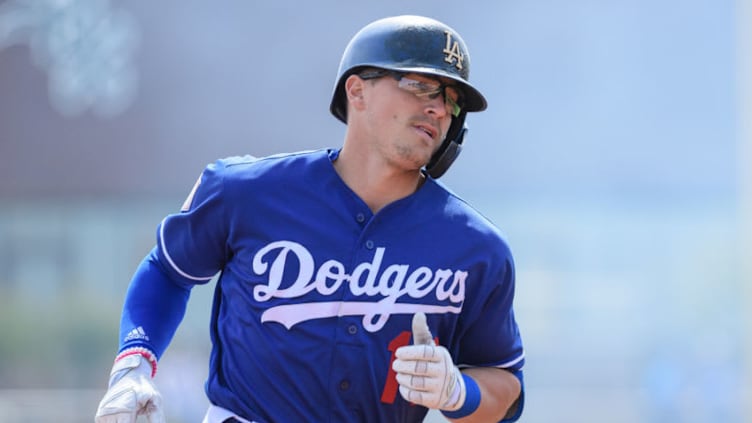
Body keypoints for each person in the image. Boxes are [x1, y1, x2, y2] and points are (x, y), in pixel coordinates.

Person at [94, 14, 525, 423]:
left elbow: (506, 385)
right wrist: (133, 364)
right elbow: (170, 271)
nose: (439, 108)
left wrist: (458, 392)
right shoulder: (246, 191)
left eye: (450, 99)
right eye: (420, 84)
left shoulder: (477, 247)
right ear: (356, 91)